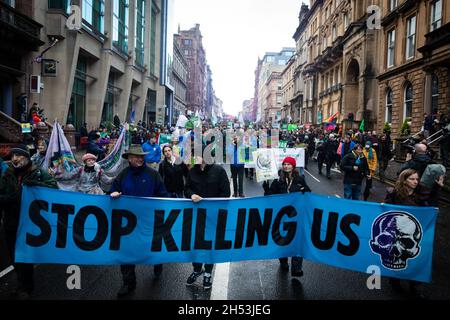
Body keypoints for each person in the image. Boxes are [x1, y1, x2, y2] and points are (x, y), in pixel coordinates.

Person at [110, 145, 169, 297]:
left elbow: (163, 194)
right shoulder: (123, 175)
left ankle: (158, 263)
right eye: (136, 156)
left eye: (142, 156)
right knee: (126, 251)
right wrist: (114, 193)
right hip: (128, 223)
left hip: (148, 220)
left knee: (153, 246)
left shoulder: (153, 174)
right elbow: (113, 190)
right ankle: (128, 283)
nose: (140, 159)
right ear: (129, 158)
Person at [0, 145, 57, 299]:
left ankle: (26, 288)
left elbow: (54, 189)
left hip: (31, 223)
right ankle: (21, 284)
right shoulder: (8, 174)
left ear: (26, 157)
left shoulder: (38, 173)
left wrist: (37, 186)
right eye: (12, 156)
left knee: (25, 256)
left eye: (18, 155)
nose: (14, 159)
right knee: (14, 256)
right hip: (11, 222)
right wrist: (10, 198)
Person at [184, 147, 231, 290]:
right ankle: (197, 269)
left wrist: (210, 202)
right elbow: (187, 189)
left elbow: (226, 193)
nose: (195, 158)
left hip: (213, 215)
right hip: (196, 214)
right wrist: (191, 194)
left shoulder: (219, 171)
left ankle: (208, 272)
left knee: (210, 242)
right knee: (195, 242)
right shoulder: (192, 171)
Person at [262, 157, 310, 278]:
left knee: (297, 241)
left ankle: (296, 268)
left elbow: (309, 193)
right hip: (281, 217)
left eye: (289, 164)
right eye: (284, 164)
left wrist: (305, 190)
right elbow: (270, 197)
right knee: (282, 240)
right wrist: (266, 188)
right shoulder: (278, 181)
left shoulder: (300, 179)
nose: (286, 166)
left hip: (296, 217)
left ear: (293, 166)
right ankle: (283, 261)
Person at [383, 169, 426, 299]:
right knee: (396, 257)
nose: (415, 182)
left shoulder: (421, 194)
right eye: (412, 179)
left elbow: (429, 210)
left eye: (417, 179)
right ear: (404, 180)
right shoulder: (394, 193)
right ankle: (395, 281)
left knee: (414, 260)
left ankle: (414, 287)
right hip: (397, 232)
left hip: (414, 233)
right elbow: (386, 210)